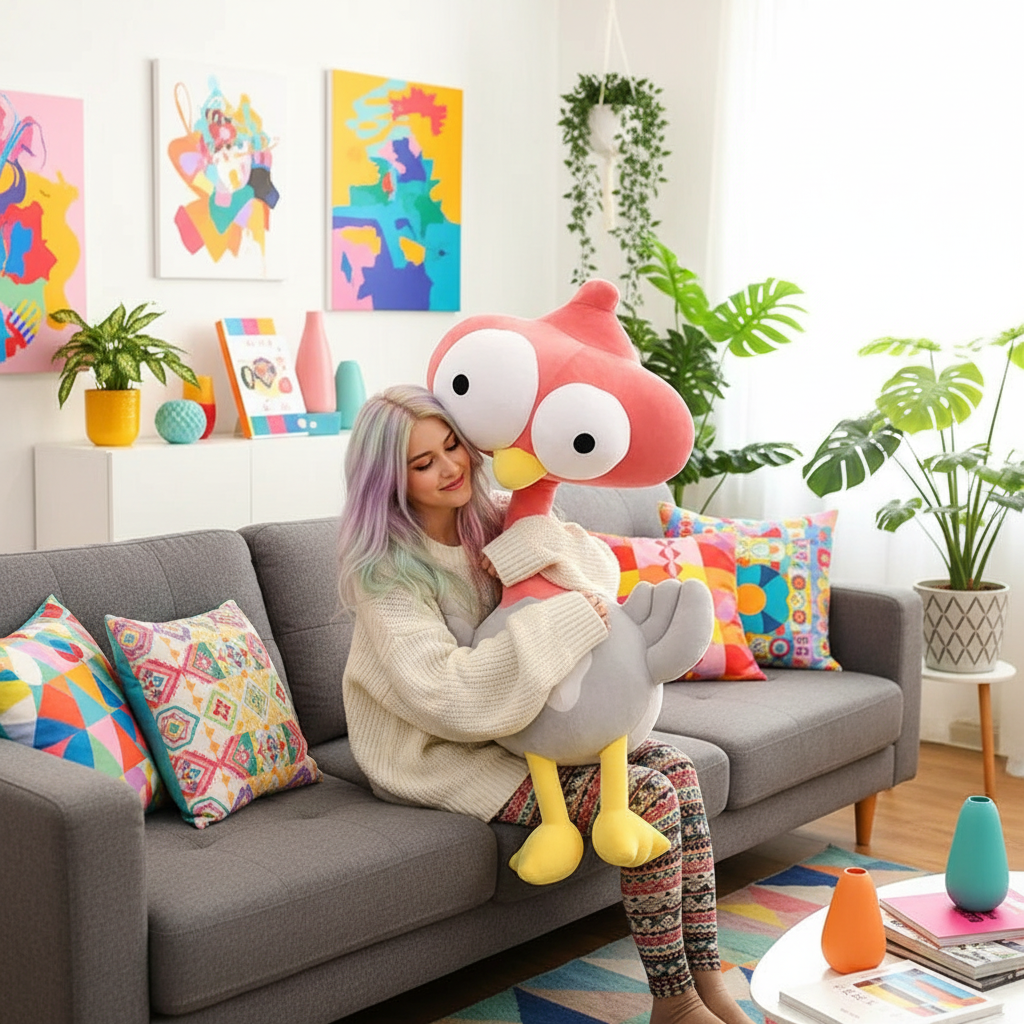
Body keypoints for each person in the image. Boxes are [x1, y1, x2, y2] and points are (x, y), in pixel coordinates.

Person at [337, 384, 754, 1024]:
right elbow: (446, 692)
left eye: (453, 446)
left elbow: (599, 581)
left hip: (530, 727)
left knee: (678, 769)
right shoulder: (388, 575)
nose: (450, 468)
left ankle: (704, 976)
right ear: (389, 481)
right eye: (423, 463)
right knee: (648, 795)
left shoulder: (497, 514)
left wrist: (524, 544)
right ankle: (672, 1002)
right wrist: (563, 625)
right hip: (445, 754)